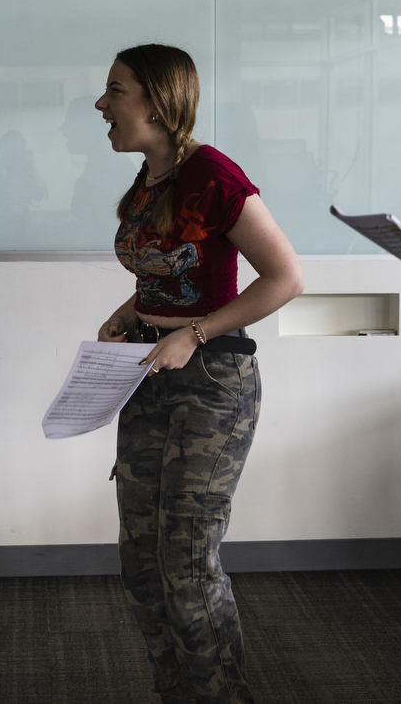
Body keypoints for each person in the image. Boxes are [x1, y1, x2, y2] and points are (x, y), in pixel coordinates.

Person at [94, 44, 304, 704]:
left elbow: (286, 278)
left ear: (155, 103)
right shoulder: (148, 183)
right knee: (141, 564)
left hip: (211, 381)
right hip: (148, 372)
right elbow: (175, 271)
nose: (102, 104)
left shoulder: (211, 172)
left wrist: (195, 332)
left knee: (185, 562)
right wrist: (132, 311)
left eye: (115, 90)